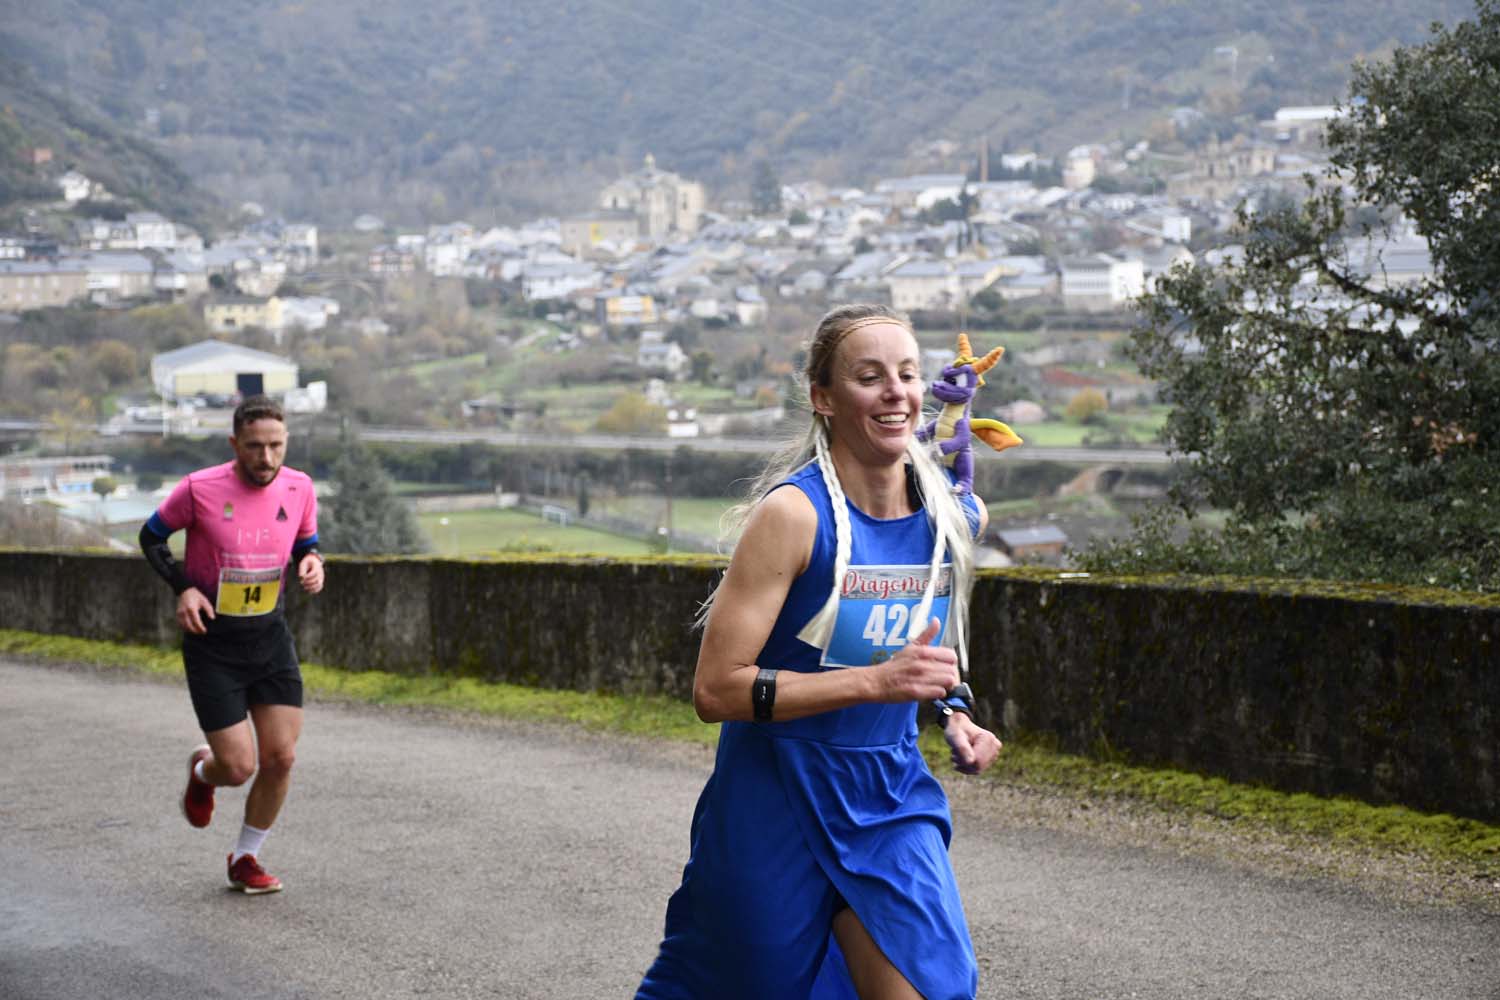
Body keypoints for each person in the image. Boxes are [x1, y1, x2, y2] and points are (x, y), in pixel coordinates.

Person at [637, 305, 1004, 1000]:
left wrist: (955, 710)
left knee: (931, 988)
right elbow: (715, 691)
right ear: (824, 399)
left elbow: (920, 639)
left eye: (908, 374)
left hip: (887, 794)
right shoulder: (792, 517)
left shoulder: (951, 519)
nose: (897, 392)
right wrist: (873, 684)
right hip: (773, 797)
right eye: (870, 377)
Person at [139, 394, 324, 895]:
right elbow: (151, 536)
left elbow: (305, 542)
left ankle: (245, 857)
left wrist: (313, 562)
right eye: (254, 447)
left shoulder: (300, 487)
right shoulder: (199, 489)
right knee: (238, 767)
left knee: (281, 757)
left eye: (276, 446)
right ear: (234, 444)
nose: (266, 458)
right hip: (212, 644)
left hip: (269, 638)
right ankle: (203, 771)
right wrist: (185, 587)